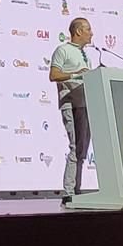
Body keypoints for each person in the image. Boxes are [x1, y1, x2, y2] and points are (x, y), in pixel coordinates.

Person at [49, 17, 93, 205]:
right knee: (75, 147)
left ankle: (76, 189)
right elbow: (54, 75)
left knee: (82, 150)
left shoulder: (85, 54)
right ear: (78, 32)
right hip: (70, 104)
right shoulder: (63, 50)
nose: (92, 33)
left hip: (85, 104)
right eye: (88, 29)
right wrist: (76, 74)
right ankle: (68, 192)